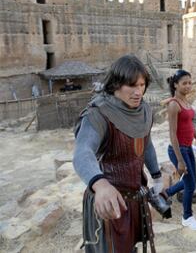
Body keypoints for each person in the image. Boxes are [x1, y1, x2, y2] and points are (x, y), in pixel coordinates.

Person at [73, 55, 163, 253]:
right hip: (108, 202)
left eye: (141, 85)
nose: (138, 92)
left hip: (134, 197)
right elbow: (83, 152)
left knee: (130, 247)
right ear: (115, 85)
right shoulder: (98, 114)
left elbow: (146, 144)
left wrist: (156, 177)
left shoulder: (144, 110)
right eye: (131, 85)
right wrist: (101, 184)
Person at [162, 69, 196, 231]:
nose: (188, 86)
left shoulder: (186, 102)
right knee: (189, 185)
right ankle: (187, 217)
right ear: (175, 84)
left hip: (188, 148)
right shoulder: (174, 104)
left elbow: (190, 126)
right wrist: (180, 160)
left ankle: (166, 193)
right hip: (177, 150)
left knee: (192, 182)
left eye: (190, 82)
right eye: (184, 83)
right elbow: (172, 134)